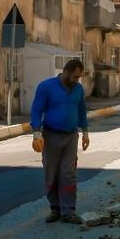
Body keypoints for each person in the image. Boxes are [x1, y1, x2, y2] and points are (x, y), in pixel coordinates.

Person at [30, 59, 90, 224]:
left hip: (71, 136)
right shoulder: (46, 87)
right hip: (51, 136)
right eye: (75, 77)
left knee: (68, 175)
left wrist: (85, 132)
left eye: (79, 78)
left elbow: (81, 110)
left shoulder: (78, 89)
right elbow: (37, 109)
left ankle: (69, 211)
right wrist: (36, 132)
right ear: (66, 72)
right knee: (52, 174)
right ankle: (55, 209)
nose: (77, 81)